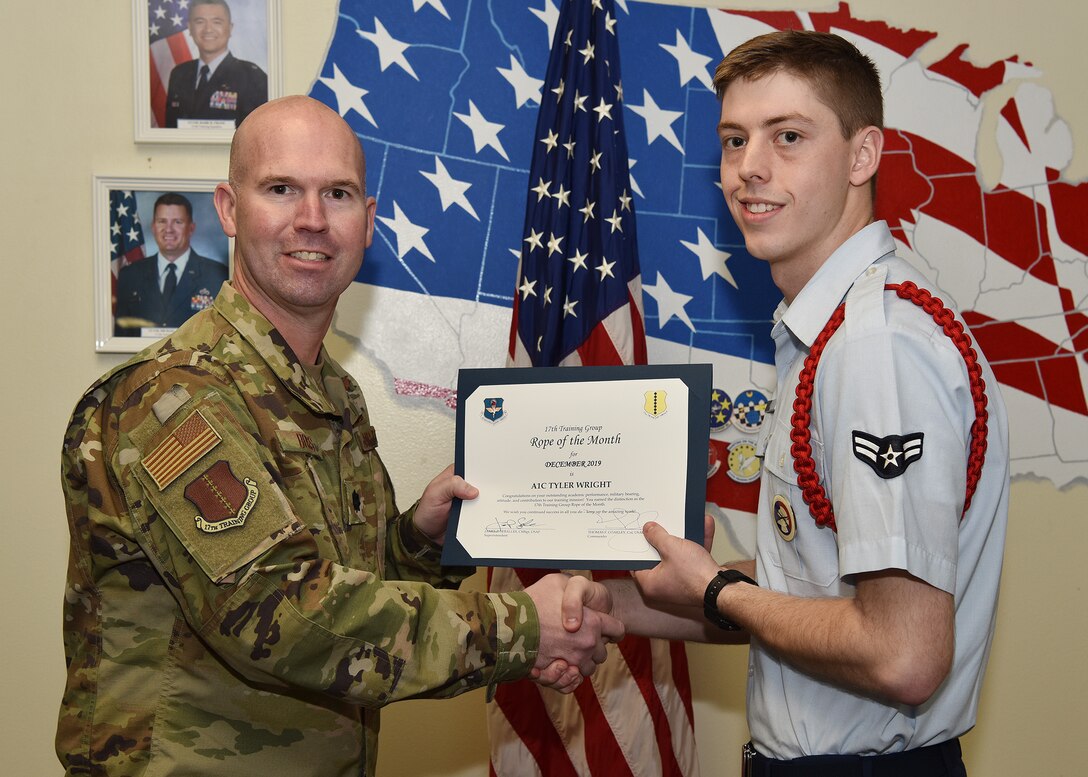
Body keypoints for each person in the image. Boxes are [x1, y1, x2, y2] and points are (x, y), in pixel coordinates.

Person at [58, 95, 621, 776]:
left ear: (368, 221)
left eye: (339, 193)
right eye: (281, 188)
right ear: (230, 210)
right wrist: (519, 627)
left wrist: (418, 537)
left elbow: (342, 583)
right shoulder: (172, 398)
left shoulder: (330, 394)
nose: (313, 219)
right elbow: (279, 611)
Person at [564, 30, 1009, 776]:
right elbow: (815, 599)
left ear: (863, 155)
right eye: (735, 140)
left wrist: (712, 586)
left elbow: (902, 654)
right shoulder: (830, 331)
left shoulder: (877, 344)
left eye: (789, 137)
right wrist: (624, 607)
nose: (749, 170)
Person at [114, 192, 229, 336]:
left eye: (177, 222)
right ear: (153, 227)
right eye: (162, 221)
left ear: (191, 228)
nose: (168, 229)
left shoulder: (217, 276)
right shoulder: (130, 275)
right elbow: (121, 335)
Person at [164, 0, 267, 128]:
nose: (208, 29)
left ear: (230, 28)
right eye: (200, 22)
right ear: (190, 28)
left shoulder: (252, 76)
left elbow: (256, 133)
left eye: (217, 22)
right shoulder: (179, 74)